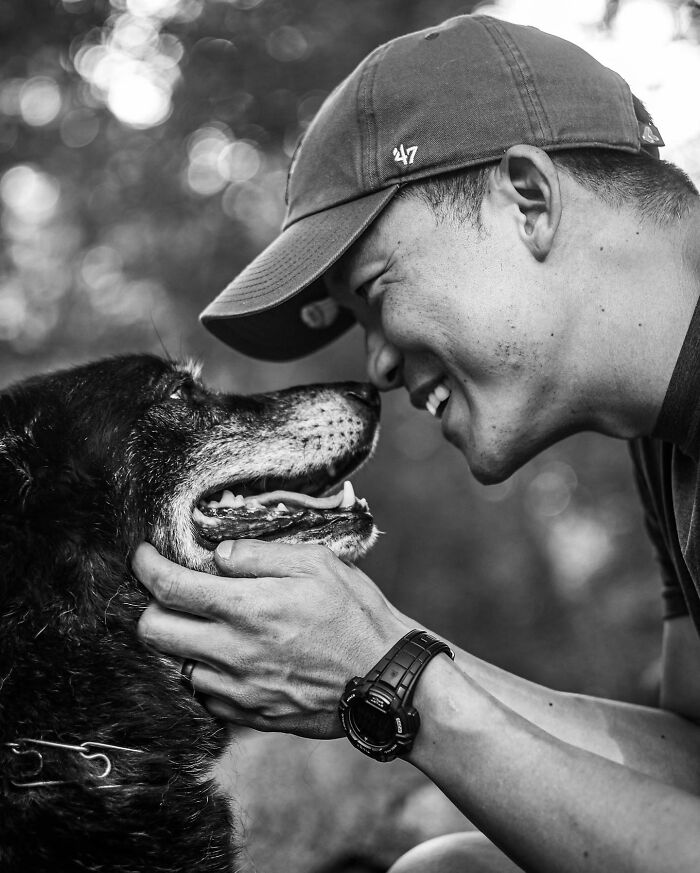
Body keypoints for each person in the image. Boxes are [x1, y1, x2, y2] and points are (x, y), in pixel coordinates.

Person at [132, 14, 700, 872]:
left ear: (529, 201)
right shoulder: (665, 434)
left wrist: (394, 680)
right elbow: (692, 764)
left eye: (375, 288)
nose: (379, 365)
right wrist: (378, 645)